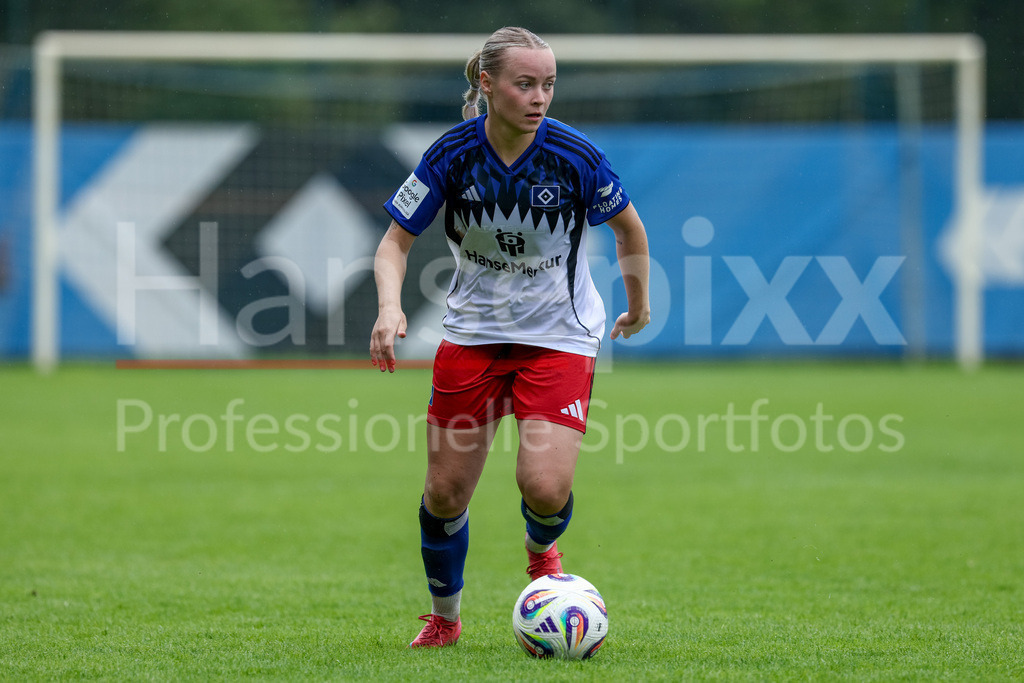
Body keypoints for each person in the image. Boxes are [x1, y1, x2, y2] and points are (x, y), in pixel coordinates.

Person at [370, 26, 651, 649]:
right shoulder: (450, 155)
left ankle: (541, 552)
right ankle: (445, 619)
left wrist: (638, 307)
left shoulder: (575, 155)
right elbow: (394, 243)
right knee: (445, 493)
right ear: (487, 83)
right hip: (472, 338)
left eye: (548, 84)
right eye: (525, 84)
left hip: (559, 337)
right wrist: (389, 308)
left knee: (545, 488)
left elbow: (629, 230)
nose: (539, 97)